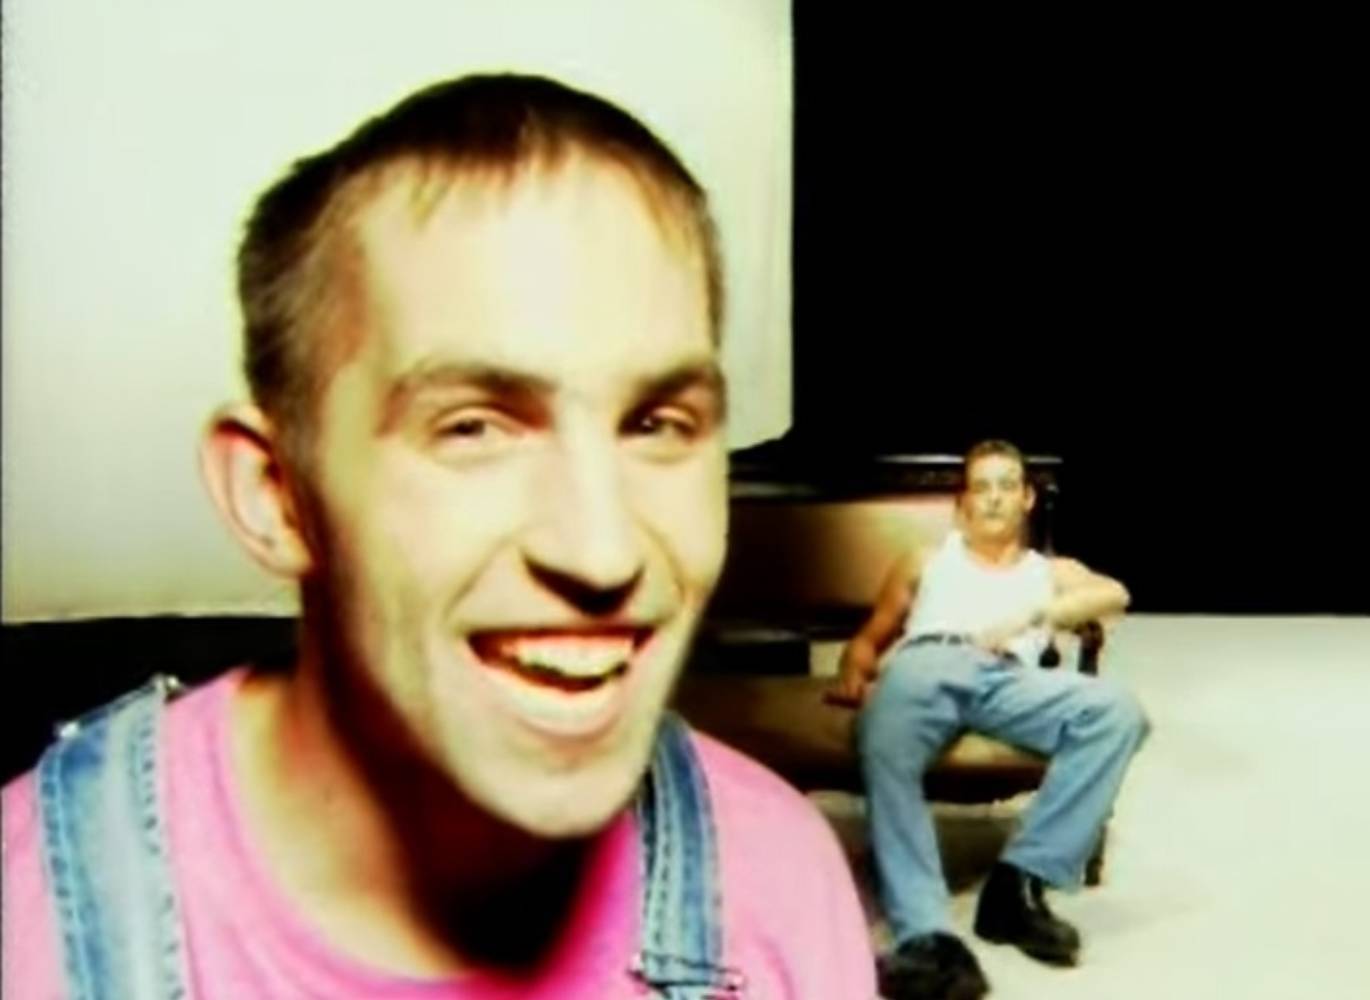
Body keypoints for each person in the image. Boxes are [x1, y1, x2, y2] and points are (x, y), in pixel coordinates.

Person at [1, 74, 874, 999]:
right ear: (275, 495)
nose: (603, 552)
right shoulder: (35, 924)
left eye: (656, 424)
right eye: (473, 428)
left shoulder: (775, 883)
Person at [834, 439, 1149, 999]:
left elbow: (1115, 594)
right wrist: (854, 675)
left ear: (1027, 498)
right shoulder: (928, 560)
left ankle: (1017, 885)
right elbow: (867, 641)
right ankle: (926, 935)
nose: (995, 498)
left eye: (1007, 486)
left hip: (1008, 677)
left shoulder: (1049, 570)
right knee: (887, 749)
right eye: (981, 488)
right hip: (927, 663)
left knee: (1117, 713)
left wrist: (1035, 615)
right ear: (963, 505)